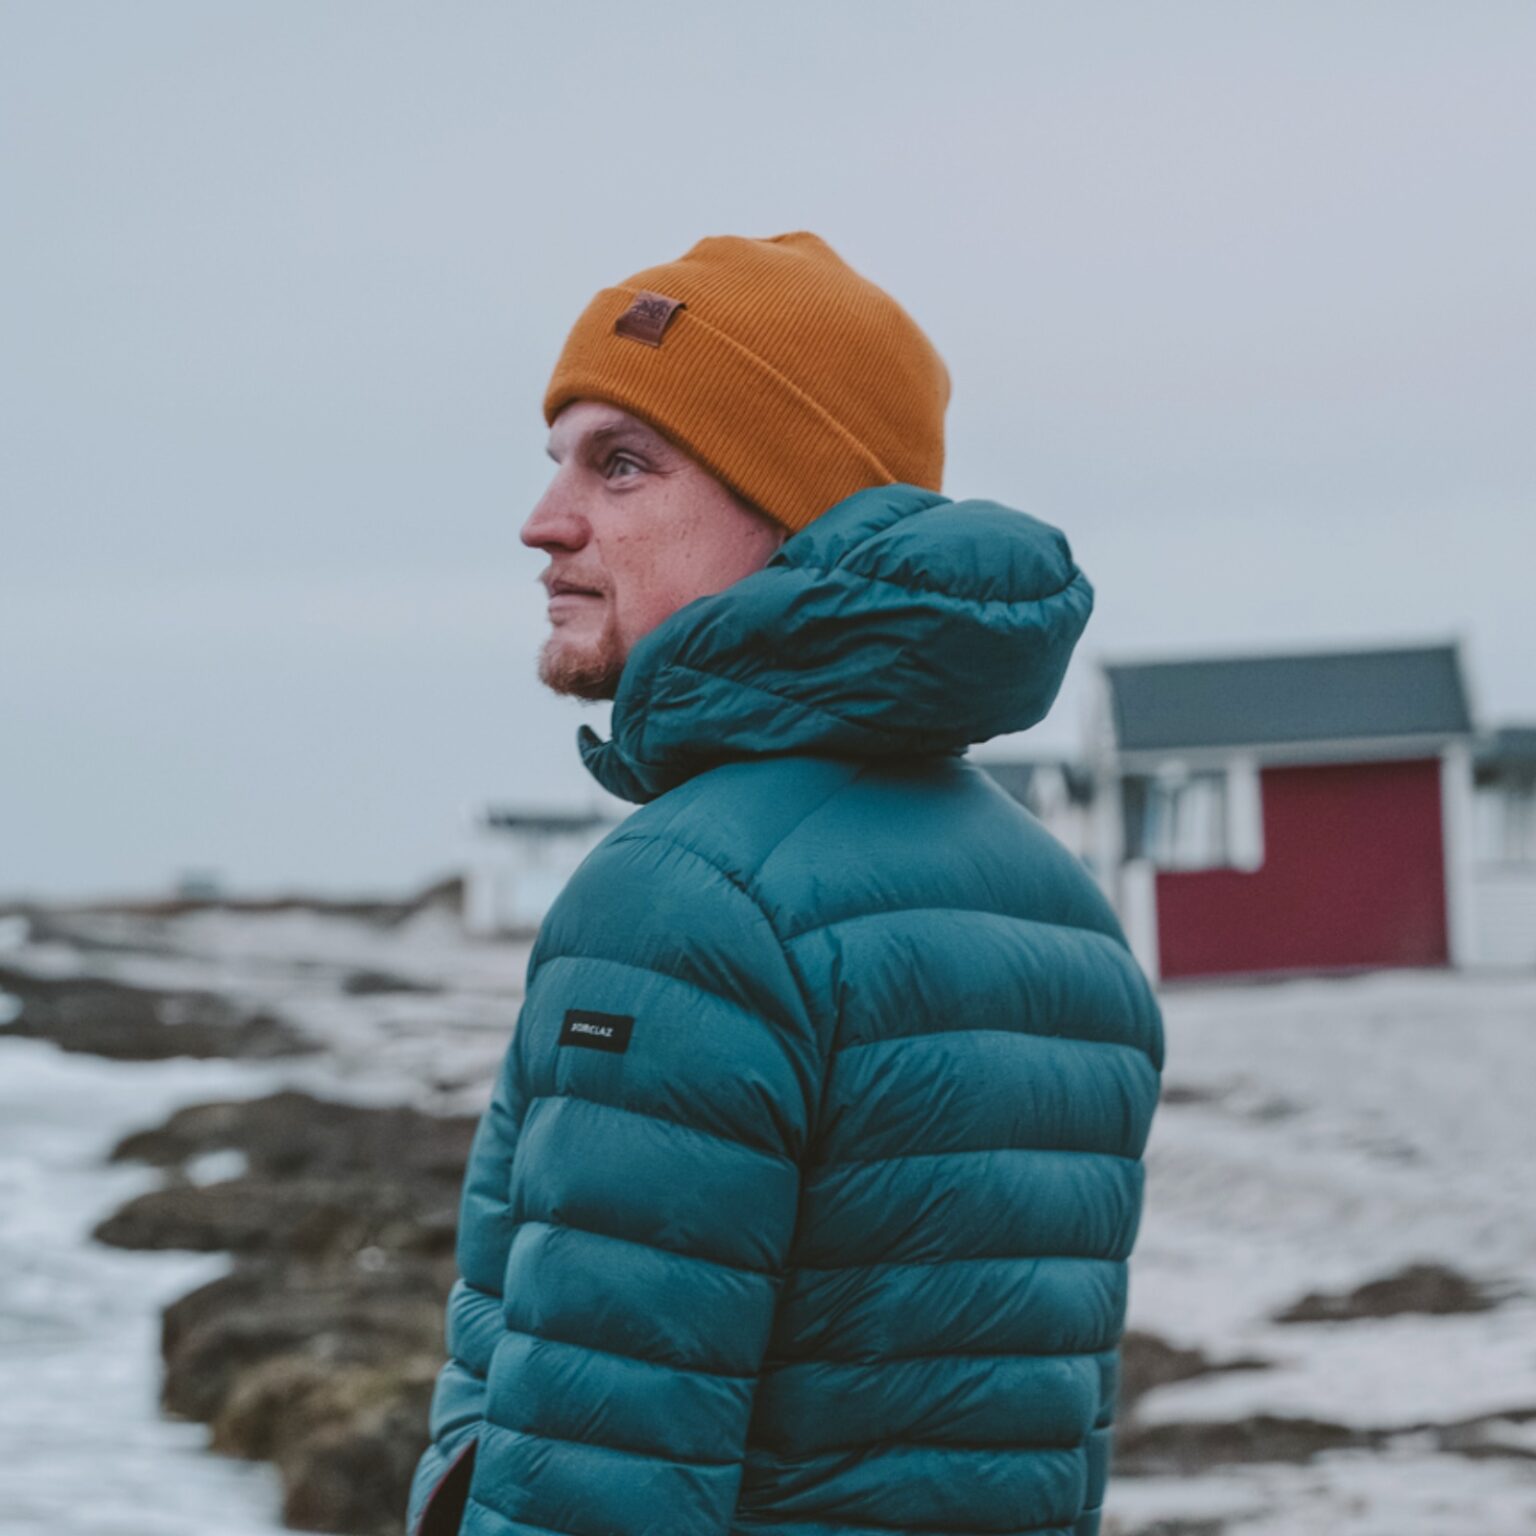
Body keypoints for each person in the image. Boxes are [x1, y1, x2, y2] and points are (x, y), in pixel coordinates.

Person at [406, 231, 1164, 1536]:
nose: (545, 521)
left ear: (797, 512)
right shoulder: (1063, 911)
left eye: (622, 464)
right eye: (559, 460)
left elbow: (597, 1484)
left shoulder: (685, 899)